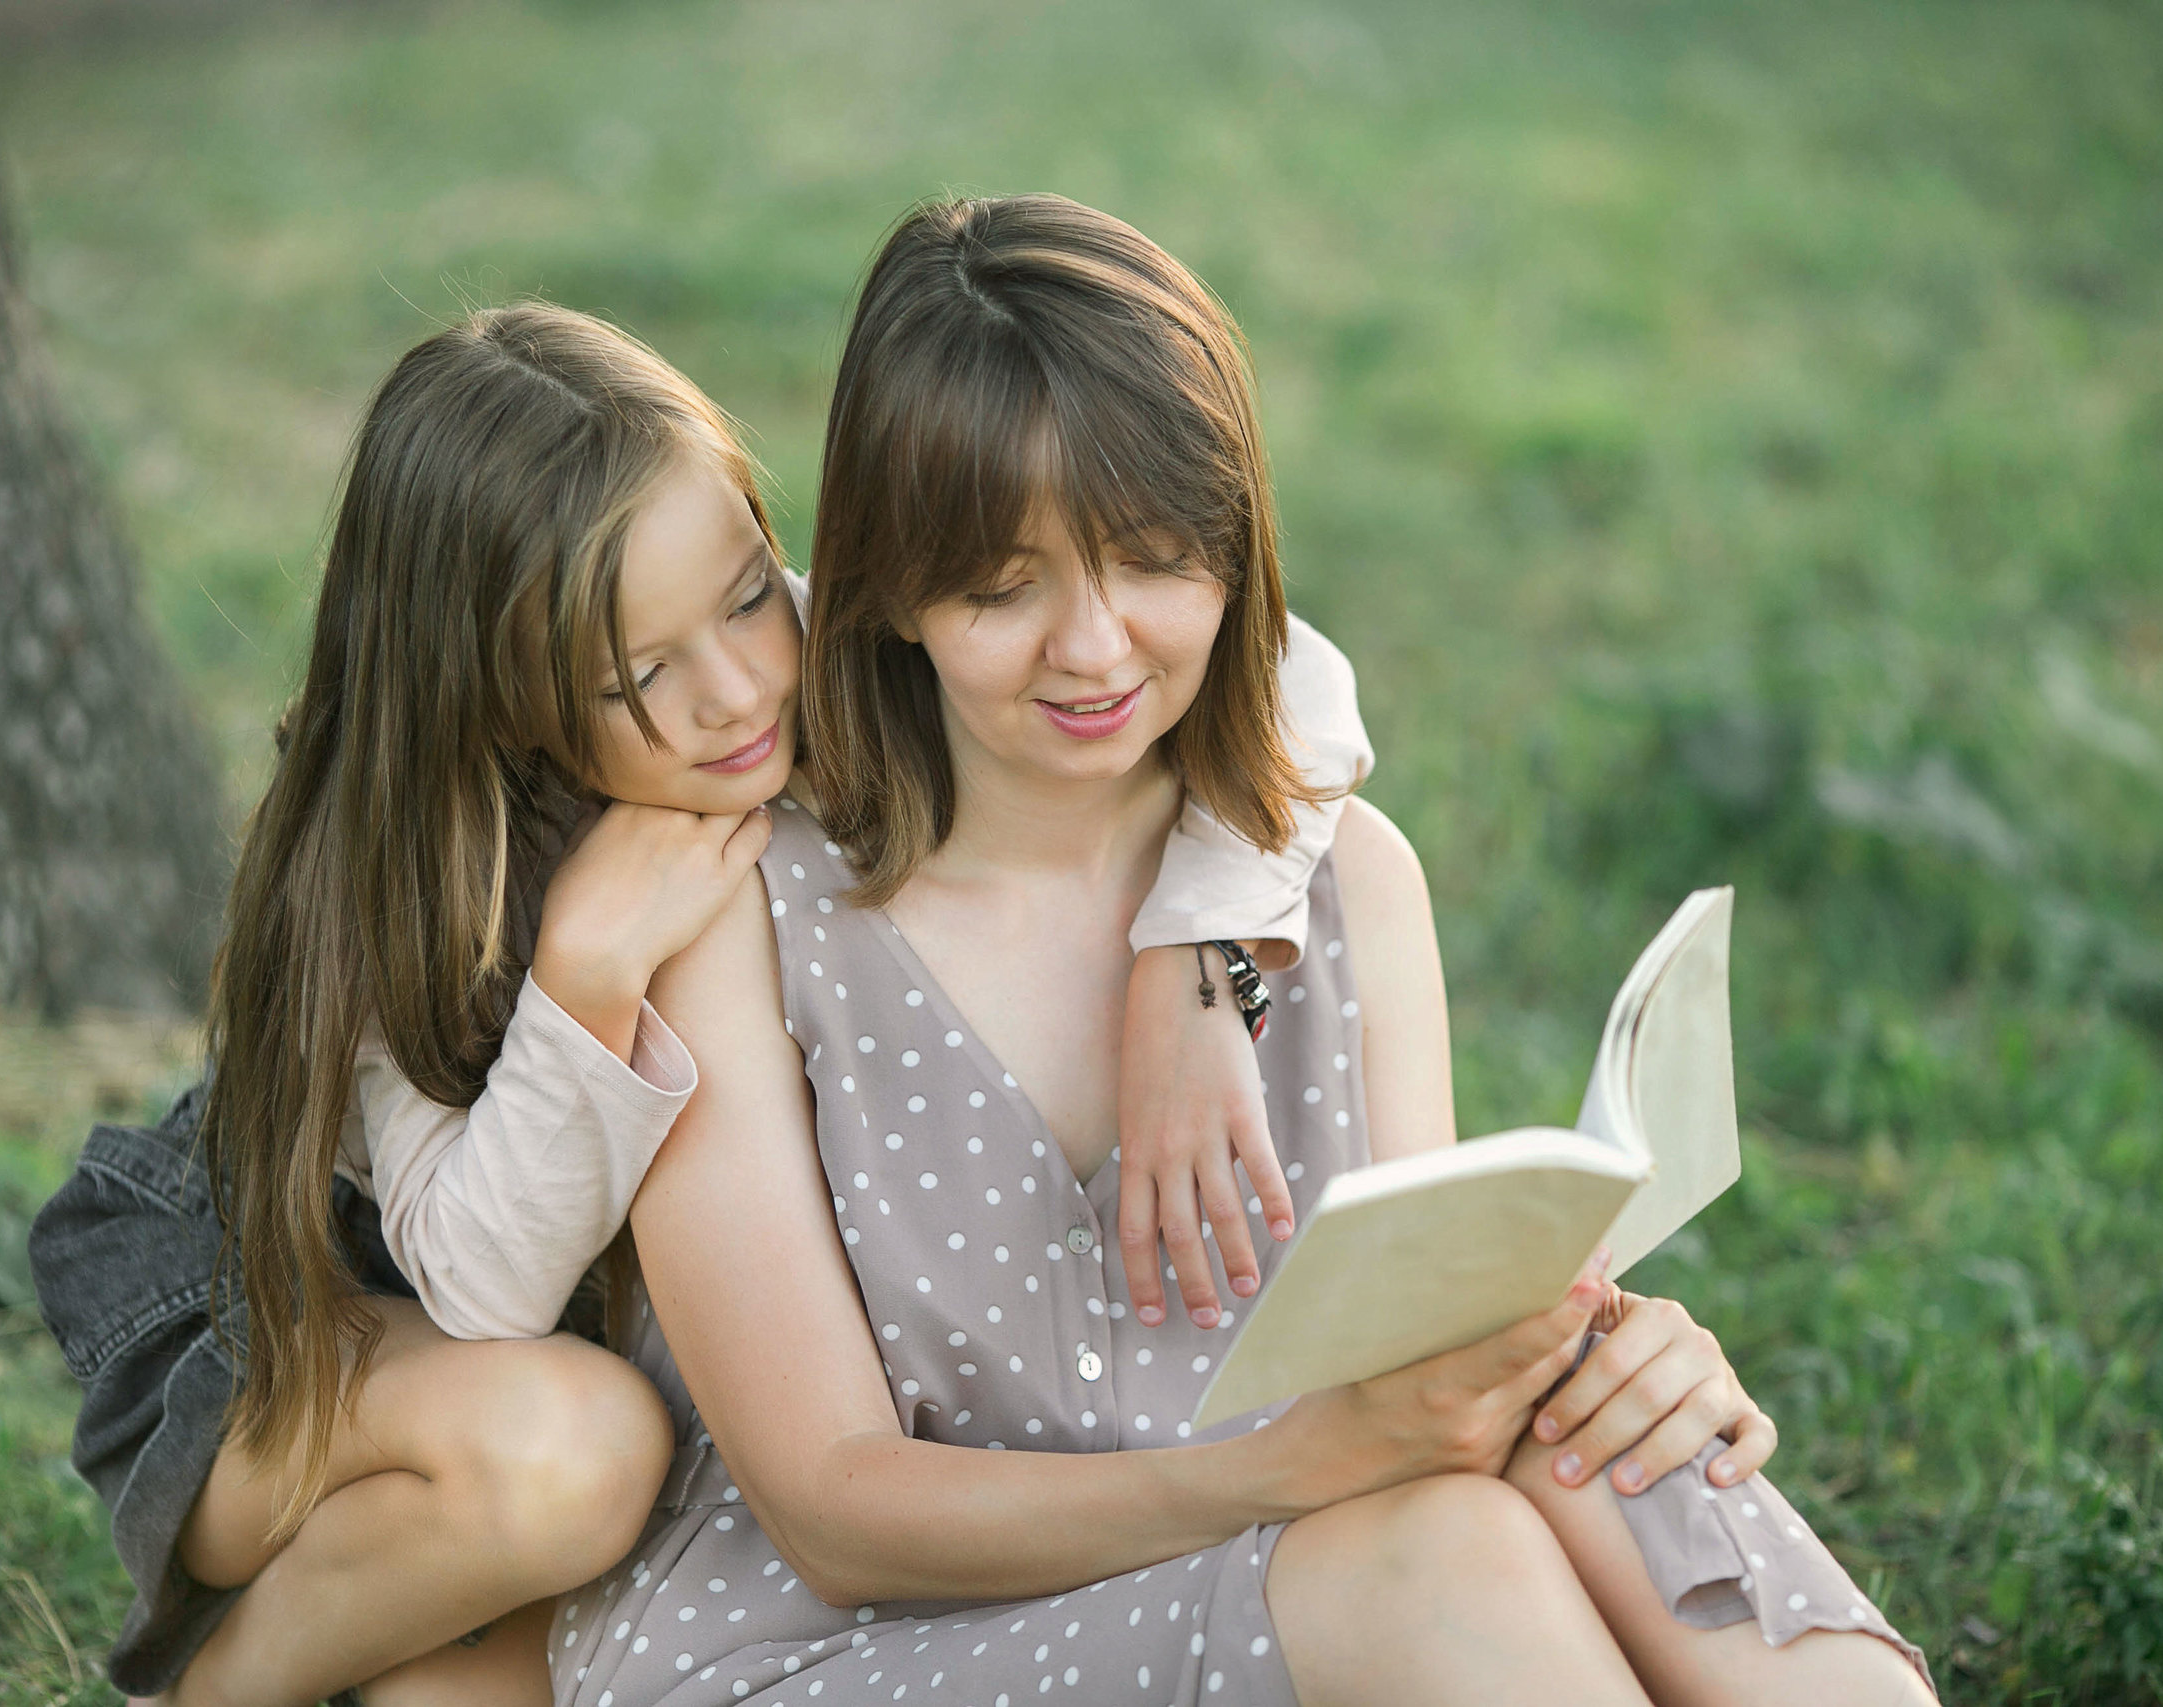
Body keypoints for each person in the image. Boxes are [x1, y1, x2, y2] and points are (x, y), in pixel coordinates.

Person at [557, 195, 1936, 1706]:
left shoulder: (1342, 882)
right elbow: (836, 1514)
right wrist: (1302, 1466)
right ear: (887, 582)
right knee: (1447, 1562)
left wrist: (1596, 1353)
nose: (1092, 651)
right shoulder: (747, 926)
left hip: (1304, 1556)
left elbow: (1418, 1366)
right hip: (853, 1650)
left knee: (1614, 1452)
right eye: (1005, 587)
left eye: (1154, 560)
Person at [28, 300, 1374, 1705]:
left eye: (746, 594)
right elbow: (475, 1284)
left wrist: (1194, 951)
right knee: (574, 1459)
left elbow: (1297, 677)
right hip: (301, 1302)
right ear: (494, 697)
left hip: (591, 1363)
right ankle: (212, 1687)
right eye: (635, 677)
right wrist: (584, 978)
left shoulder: (808, 666)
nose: (735, 696)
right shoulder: (412, 864)